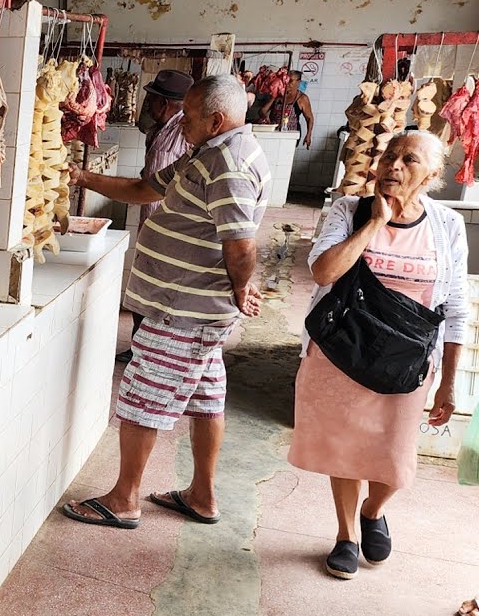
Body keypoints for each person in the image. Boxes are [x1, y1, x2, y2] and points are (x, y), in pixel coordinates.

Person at [60, 75, 269, 529]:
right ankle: (201, 496)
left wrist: (239, 287)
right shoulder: (207, 154)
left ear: (216, 120)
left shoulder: (228, 163)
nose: (181, 121)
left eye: (190, 115)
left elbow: (241, 245)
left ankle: (124, 499)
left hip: (183, 309)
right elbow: (145, 189)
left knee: (142, 397)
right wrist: (83, 177)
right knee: (207, 398)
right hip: (194, 309)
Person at [289, 130, 468, 580]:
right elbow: (324, 270)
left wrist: (448, 380)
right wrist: (374, 224)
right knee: (343, 448)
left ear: (432, 175)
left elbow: (456, 307)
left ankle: (373, 510)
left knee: (394, 457)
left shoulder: (447, 225)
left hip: (406, 360)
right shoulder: (349, 212)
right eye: (390, 154)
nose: (394, 165)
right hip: (342, 351)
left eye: (409, 160)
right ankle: (346, 534)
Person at [116, 69, 195, 363]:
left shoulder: (179, 133)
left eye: (150, 100)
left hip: (168, 229)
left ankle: (149, 352)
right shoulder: (163, 129)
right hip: (153, 224)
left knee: (154, 293)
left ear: (163, 103)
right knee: (144, 290)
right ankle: (140, 348)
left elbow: (154, 187)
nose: (146, 106)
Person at [260, 70, 315, 148]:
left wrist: (308, 135)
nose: (287, 83)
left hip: (291, 135)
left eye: (291, 81)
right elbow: (262, 111)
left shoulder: (302, 98)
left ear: (298, 82)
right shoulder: (278, 95)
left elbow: (309, 118)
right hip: (273, 134)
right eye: (286, 80)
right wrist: (274, 97)